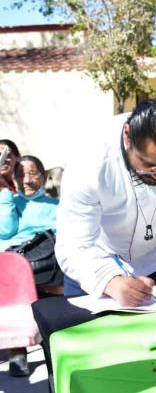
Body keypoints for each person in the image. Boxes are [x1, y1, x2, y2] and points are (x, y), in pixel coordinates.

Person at [31, 100, 156, 378]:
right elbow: (74, 241)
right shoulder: (90, 157)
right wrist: (109, 279)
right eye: (150, 165)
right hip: (93, 265)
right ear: (128, 136)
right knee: (95, 368)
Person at [1, 155, 59, 377]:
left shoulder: (56, 205)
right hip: (15, 263)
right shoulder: (10, 202)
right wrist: (6, 196)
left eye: (33, 173)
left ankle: (51, 343)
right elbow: (5, 230)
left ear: (43, 177)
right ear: (14, 179)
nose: (26, 179)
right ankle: (17, 348)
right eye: (20, 174)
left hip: (45, 261)